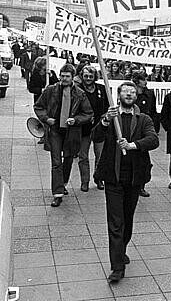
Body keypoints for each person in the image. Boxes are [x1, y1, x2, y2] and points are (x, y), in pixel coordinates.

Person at [92, 81, 159, 283]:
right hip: (113, 178)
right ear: (118, 95)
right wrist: (104, 121)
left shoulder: (143, 119)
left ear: (135, 97)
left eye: (132, 92)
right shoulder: (111, 117)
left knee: (127, 220)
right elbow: (96, 136)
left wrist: (132, 145)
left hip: (134, 178)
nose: (129, 95)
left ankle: (122, 249)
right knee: (115, 223)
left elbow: (153, 140)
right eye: (125, 92)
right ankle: (117, 268)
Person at [34, 63, 93, 207]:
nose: (64, 78)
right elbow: (38, 106)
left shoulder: (80, 93)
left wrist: (76, 120)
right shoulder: (51, 90)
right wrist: (46, 119)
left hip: (71, 133)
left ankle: (63, 183)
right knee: (56, 162)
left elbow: (89, 114)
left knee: (67, 160)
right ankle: (57, 193)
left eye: (67, 76)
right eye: (62, 75)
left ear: (73, 77)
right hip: (55, 132)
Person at [76, 65, 110, 192]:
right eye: (86, 76)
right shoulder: (77, 90)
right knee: (83, 156)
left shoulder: (101, 88)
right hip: (83, 129)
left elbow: (107, 106)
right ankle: (85, 181)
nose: (88, 78)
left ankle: (99, 178)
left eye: (91, 76)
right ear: (82, 76)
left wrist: (104, 117)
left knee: (100, 155)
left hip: (99, 128)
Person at [132, 70, 160, 197]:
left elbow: (153, 110)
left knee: (144, 161)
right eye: (143, 79)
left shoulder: (149, 93)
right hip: (132, 128)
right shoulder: (130, 93)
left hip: (145, 127)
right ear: (138, 81)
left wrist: (154, 126)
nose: (146, 82)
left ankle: (141, 186)